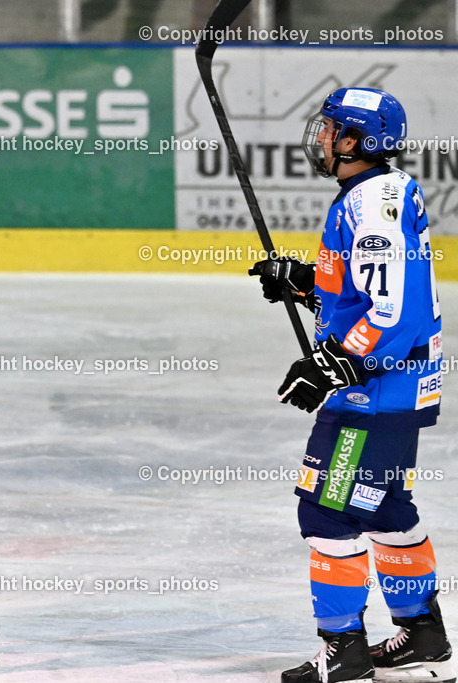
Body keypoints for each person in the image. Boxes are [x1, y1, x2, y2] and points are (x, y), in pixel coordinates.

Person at [250, 88, 452, 683]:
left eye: (330, 129)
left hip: (375, 391)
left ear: (357, 141)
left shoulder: (371, 206)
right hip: (396, 387)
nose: (320, 137)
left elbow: (393, 313)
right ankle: (422, 633)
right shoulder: (374, 192)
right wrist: (304, 282)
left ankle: (344, 650)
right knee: (385, 507)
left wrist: (335, 364)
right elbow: (365, 291)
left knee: (326, 510)